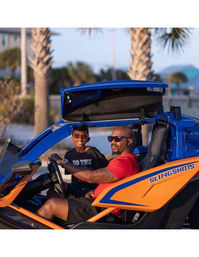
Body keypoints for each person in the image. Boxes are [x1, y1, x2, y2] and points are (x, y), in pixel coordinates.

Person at [37, 126, 140, 225]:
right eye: (111, 138)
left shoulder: (125, 162)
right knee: (55, 191)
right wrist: (94, 192)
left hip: (103, 210)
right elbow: (108, 181)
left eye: (117, 139)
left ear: (129, 141)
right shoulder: (121, 161)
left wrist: (62, 162)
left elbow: (90, 177)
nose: (112, 142)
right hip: (96, 200)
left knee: (51, 205)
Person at [63, 124, 108, 197]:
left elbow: (104, 169)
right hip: (76, 188)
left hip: (92, 188)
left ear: (88, 139)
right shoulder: (69, 155)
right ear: (72, 138)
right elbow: (69, 172)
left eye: (83, 136)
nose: (80, 139)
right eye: (76, 136)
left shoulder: (93, 152)